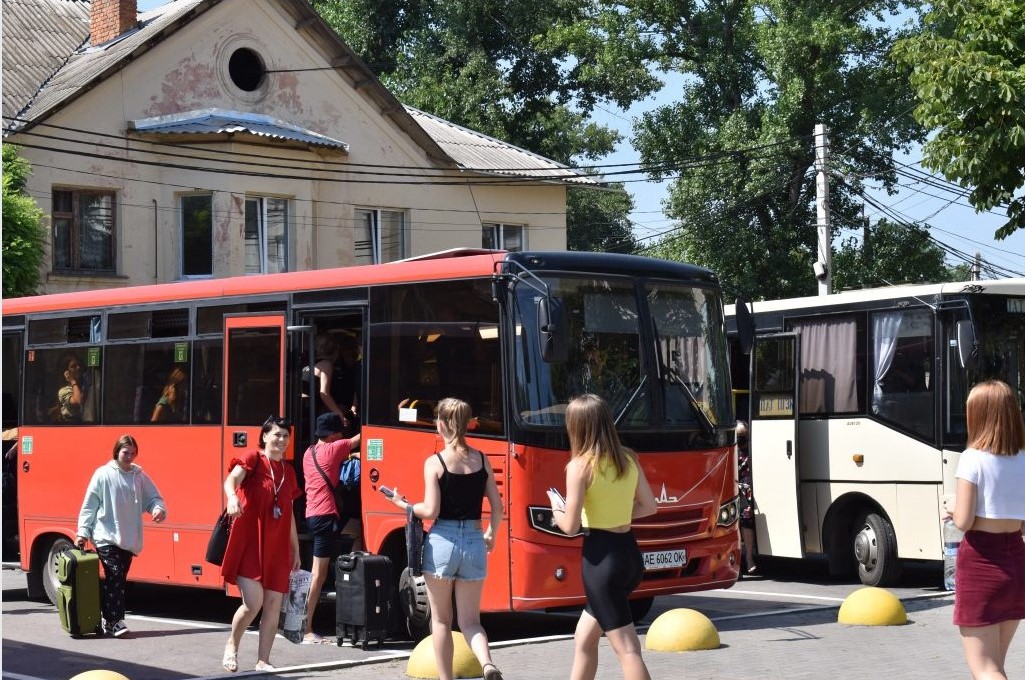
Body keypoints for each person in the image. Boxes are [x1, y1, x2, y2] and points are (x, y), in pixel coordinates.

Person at [386, 398, 505, 680]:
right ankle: (487, 664)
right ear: (467, 424)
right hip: (475, 540)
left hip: (443, 541)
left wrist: (404, 505)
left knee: (440, 620)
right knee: (471, 622)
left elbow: (431, 510)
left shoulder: (435, 462)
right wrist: (491, 535)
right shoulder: (482, 459)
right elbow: (498, 508)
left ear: (440, 424)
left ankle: (445, 679)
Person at [550, 393, 657, 680]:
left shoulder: (579, 467)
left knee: (628, 650)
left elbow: (570, 526)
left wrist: (555, 509)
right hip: (629, 555)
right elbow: (650, 506)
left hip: (601, 562)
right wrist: (617, 514)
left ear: (577, 427)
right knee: (584, 639)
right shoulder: (628, 459)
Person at [951, 380, 1025, 680]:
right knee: (993, 665)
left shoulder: (972, 459)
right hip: (1016, 563)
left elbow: (963, 521)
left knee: (986, 670)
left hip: (982, 564)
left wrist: (953, 508)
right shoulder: (1022, 460)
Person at [219, 415, 301, 673]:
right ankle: (232, 643)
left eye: (285, 435)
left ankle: (263, 660)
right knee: (253, 603)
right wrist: (232, 497)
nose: (281, 439)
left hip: (277, 546)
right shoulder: (253, 459)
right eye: (276, 434)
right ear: (264, 436)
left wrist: (295, 548)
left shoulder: (288, 471)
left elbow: (288, 513)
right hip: (251, 540)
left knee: (274, 604)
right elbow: (230, 480)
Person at [75, 434, 167, 638]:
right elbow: (89, 505)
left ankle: (107, 619)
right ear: (117, 451)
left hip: (128, 538)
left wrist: (157, 509)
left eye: (133, 453)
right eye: (126, 452)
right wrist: (83, 532)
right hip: (105, 535)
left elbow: (154, 497)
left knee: (117, 580)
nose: (130, 457)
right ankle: (115, 621)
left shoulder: (138, 475)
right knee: (115, 576)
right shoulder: (103, 474)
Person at [301, 412, 361, 644]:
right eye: (338, 434)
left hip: (313, 514)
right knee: (318, 573)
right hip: (325, 516)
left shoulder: (309, 453)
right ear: (333, 435)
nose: (340, 437)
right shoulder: (334, 448)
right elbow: (363, 436)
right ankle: (306, 628)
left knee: (358, 530)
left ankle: (353, 569)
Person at [313, 333, 360, 434]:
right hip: (332, 410)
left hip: (325, 410)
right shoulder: (327, 365)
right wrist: (340, 414)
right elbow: (324, 394)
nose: (350, 358)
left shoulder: (314, 364)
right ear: (337, 350)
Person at [737, 420, 757, 575]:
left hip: (747, 493)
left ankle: (749, 558)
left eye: (743, 435)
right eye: (738, 435)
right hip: (733, 492)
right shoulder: (731, 451)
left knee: (746, 523)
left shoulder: (753, 450)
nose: (741, 438)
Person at [56, 352, 85, 422]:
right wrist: (72, 381)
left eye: (79, 365)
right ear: (66, 372)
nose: (78, 368)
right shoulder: (63, 391)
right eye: (73, 366)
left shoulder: (84, 386)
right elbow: (77, 401)